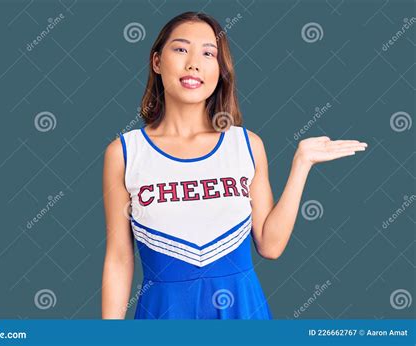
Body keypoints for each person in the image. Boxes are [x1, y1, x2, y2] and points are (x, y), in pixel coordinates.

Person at [101, 11, 367, 319]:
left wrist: (301, 164)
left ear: (220, 68)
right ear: (157, 61)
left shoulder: (246, 145)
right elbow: (119, 258)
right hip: (164, 313)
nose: (193, 63)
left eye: (208, 53)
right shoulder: (125, 152)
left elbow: (270, 245)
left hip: (243, 312)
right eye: (180, 49)